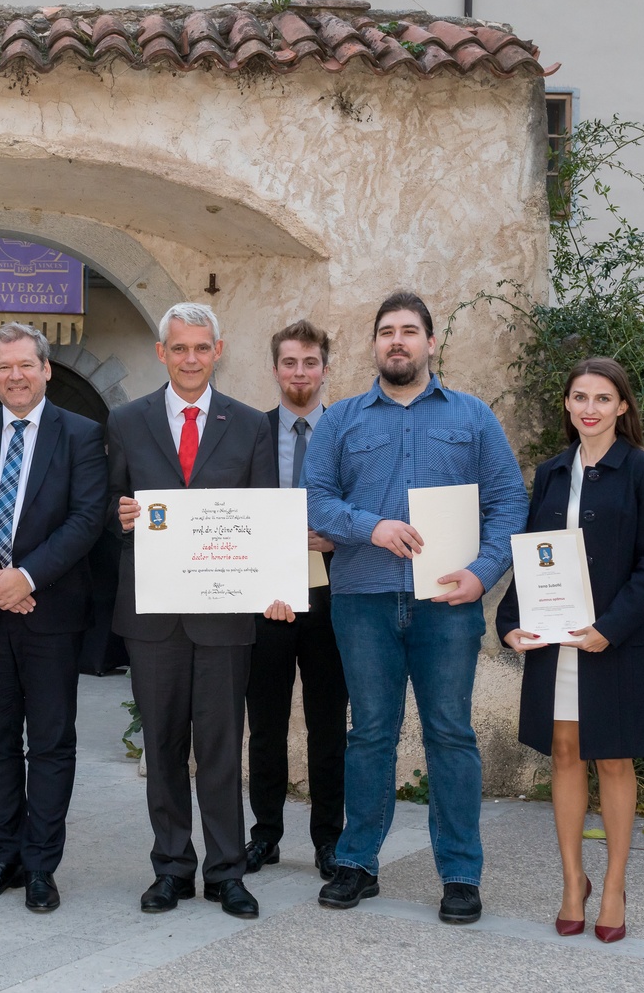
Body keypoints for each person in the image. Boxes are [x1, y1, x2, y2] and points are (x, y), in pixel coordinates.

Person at [305, 291, 526, 925]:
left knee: (450, 734)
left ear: (432, 343)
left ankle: (460, 874)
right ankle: (357, 863)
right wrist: (371, 526)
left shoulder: (473, 417)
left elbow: (509, 503)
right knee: (370, 732)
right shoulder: (343, 420)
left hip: (447, 602)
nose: (396, 341)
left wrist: (482, 574)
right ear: (373, 346)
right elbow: (314, 500)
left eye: (409, 331)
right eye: (385, 332)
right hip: (363, 599)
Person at [107, 302, 293, 920]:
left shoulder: (248, 426)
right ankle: (170, 869)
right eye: (178, 348)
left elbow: (266, 513)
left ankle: (226, 872)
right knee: (160, 747)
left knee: (219, 746)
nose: (190, 359)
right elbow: (105, 503)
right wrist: (121, 516)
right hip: (153, 614)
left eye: (201, 348)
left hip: (225, 614)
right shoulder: (127, 421)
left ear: (218, 351)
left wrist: (276, 585)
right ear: (162, 353)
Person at [496, 357, 644, 944]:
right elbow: (533, 554)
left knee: (614, 757)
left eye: (602, 399)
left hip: (614, 642)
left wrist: (611, 626)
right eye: (579, 398)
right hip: (553, 641)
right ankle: (574, 882)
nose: (589, 409)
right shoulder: (550, 472)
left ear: (622, 407)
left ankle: (615, 884)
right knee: (565, 750)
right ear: (568, 405)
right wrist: (509, 621)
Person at [0, 323, 107, 913]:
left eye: (25, 365)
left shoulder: (82, 434)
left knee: (53, 742)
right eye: (4, 367)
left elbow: (87, 519)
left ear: (46, 370)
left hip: (51, 610)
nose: (15, 375)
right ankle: (4, 854)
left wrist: (26, 577)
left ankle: (41, 865)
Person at [245, 320, 347, 882]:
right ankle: (265, 834)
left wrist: (338, 535)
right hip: (266, 597)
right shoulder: (251, 432)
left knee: (328, 724)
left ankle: (329, 840)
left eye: (310, 363)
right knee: (264, 722)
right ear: (276, 369)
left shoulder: (347, 430)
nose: (300, 373)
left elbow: (369, 503)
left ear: (325, 370)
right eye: (290, 363)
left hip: (334, 595)